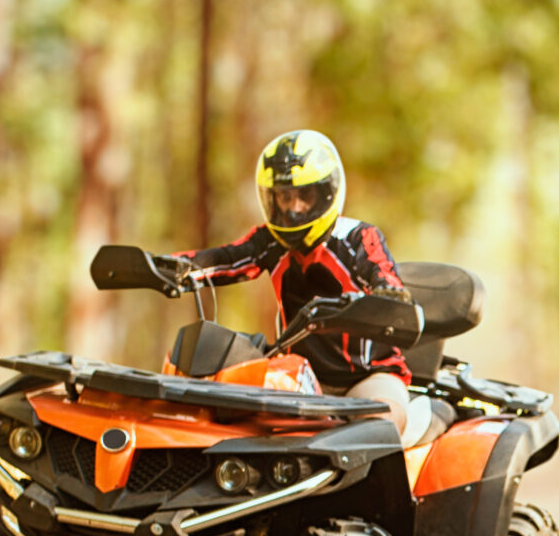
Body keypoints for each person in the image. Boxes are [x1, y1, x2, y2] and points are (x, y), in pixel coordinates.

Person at [175, 130, 414, 431]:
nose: (295, 207)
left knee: (379, 422)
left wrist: (388, 296)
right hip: (298, 377)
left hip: (369, 378)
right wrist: (166, 268)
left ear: (326, 193)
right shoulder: (270, 242)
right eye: (285, 196)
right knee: (233, 416)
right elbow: (225, 259)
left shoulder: (357, 237)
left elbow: (386, 277)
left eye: (305, 195)